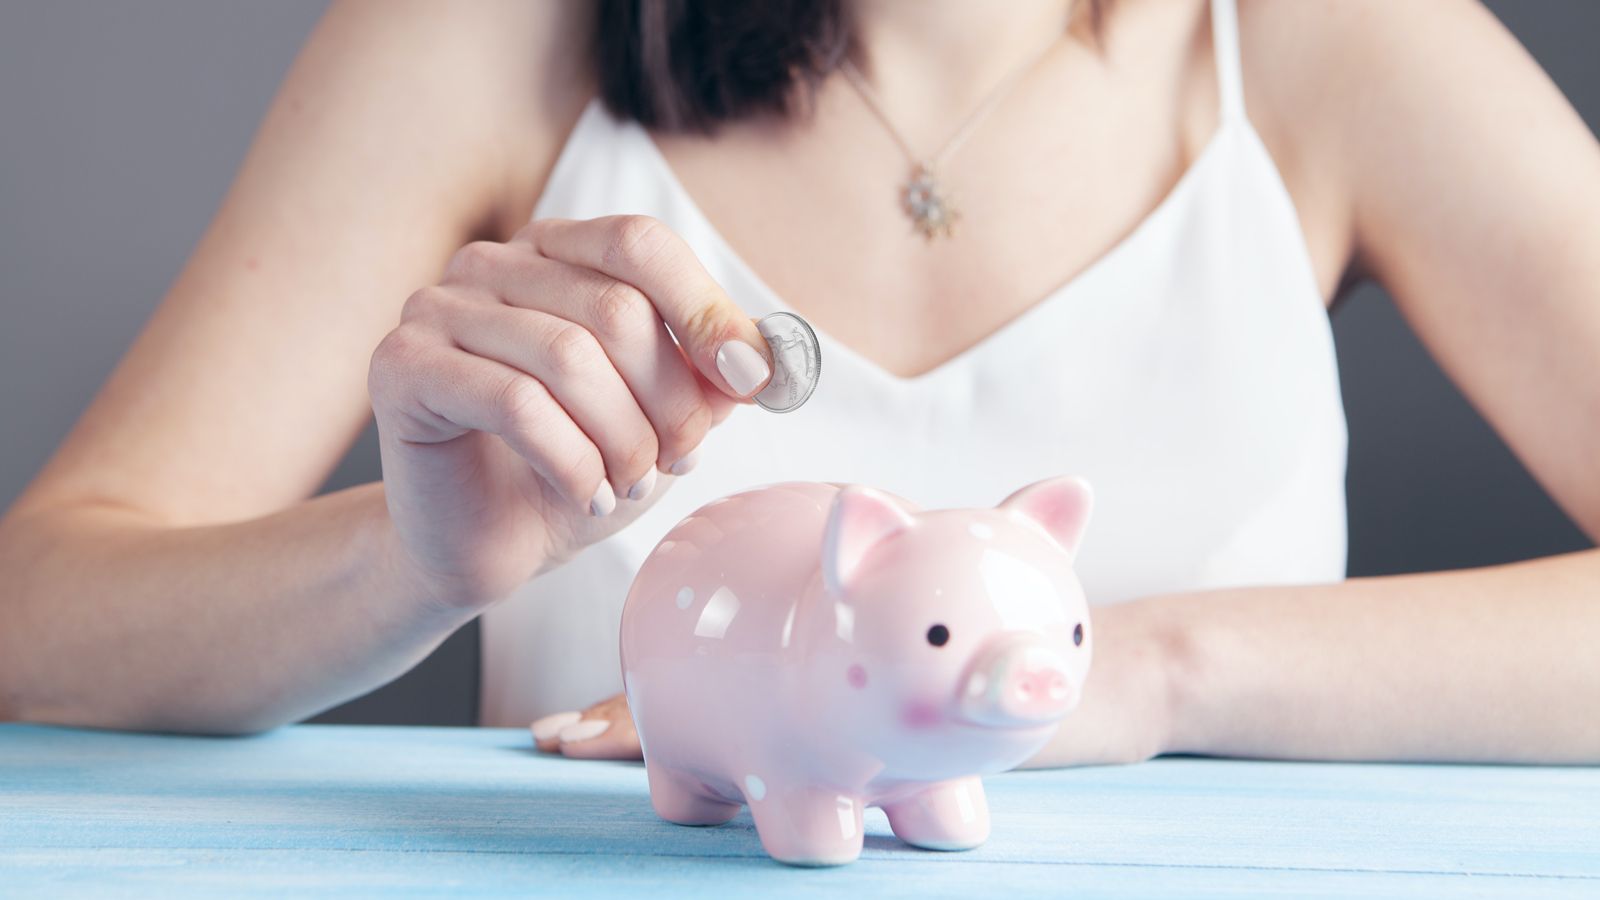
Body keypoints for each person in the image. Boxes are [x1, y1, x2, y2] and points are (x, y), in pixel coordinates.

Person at [1, 0, 1596, 768]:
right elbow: (37, 618)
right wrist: (405, 565)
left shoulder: (1335, 41)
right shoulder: (483, 36)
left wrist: (1150, 677)